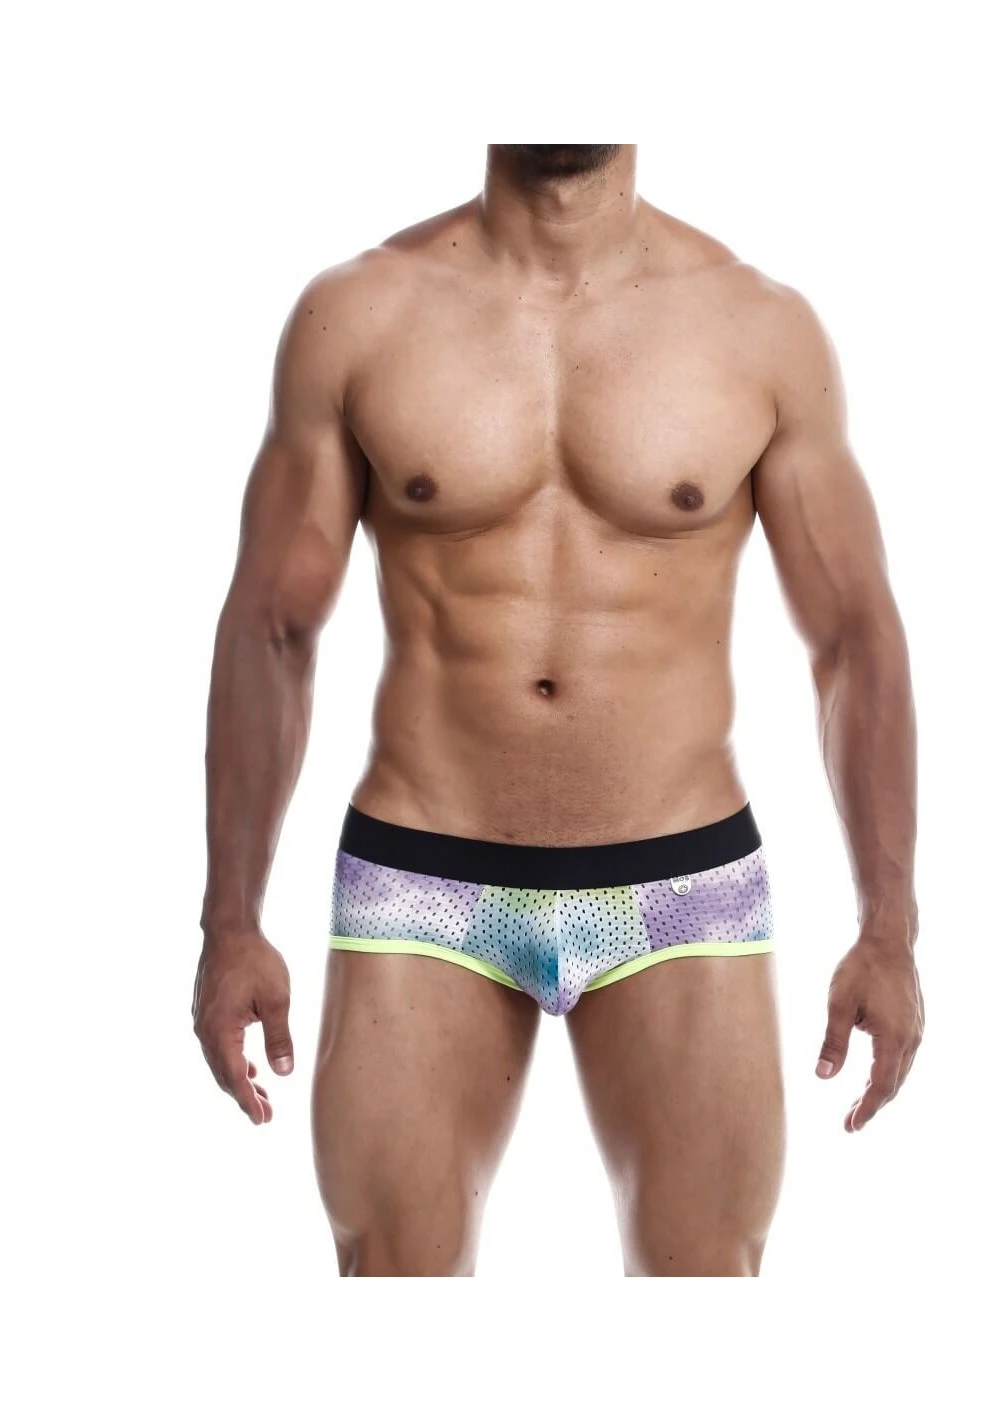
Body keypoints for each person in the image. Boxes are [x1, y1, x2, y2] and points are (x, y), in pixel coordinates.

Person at [192, 143, 924, 1276]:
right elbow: (271, 628)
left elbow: (854, 641)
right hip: (423, 880)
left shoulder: (759, 331)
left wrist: (889, 928)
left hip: (680, 886)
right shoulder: (359, 317)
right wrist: (229, 922)